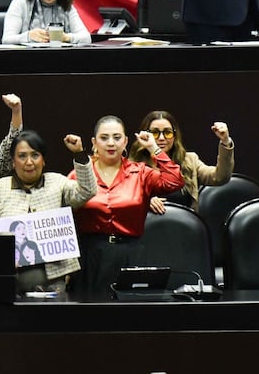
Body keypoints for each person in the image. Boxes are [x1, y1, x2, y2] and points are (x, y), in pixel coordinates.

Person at [68, 115, 184, 300]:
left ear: (126, 141)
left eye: (117, 137)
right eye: (104, 138)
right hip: (91, 256)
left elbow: (174, 181)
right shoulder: (79, 175)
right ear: (94, 142)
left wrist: (153, 147)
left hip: (131, 254)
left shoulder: (140, 173)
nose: (111, 143)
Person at [0, 130, 97, 293]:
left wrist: (79, 154)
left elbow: (87, 191)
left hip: (55, 280)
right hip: (10, 280)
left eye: (35, 155)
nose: (29, 162)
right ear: (13, 162)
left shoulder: (57, 182)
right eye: (22, 156)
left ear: (43, 160)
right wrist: (3, 252)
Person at [129, 111, 234, 212]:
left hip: (183, 226)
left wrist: (225, 141)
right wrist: (143, 200)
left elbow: (220, 177)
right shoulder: (133, 165)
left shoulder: (189, 160)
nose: (161, 138)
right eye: (155, 133)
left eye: (168, 133)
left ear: (175, 136)